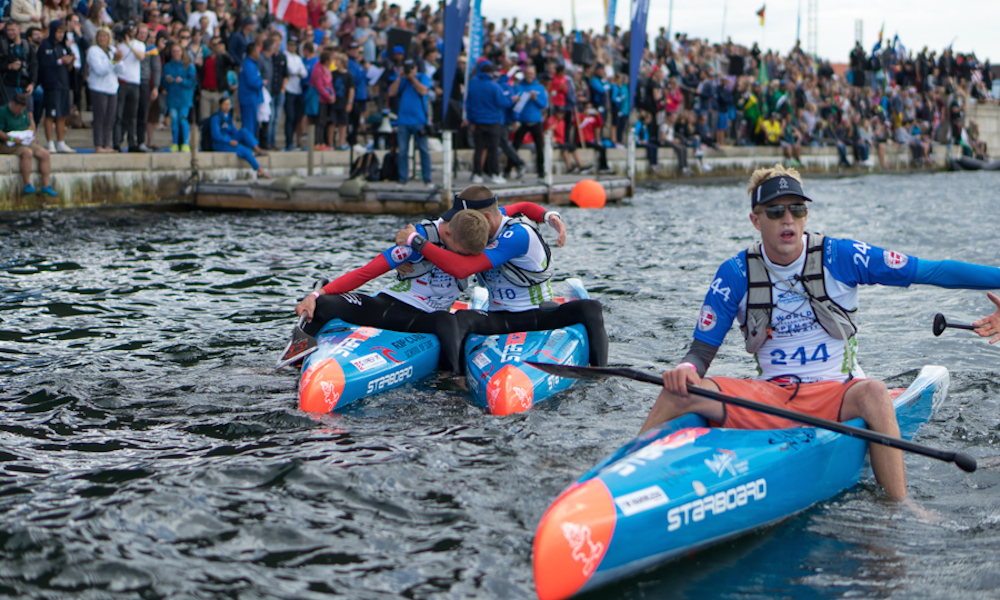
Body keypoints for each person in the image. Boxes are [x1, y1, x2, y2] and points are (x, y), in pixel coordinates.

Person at [640, 164, 1000, 501]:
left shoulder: (841, 256)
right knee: (680, 392)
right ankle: (618, 483)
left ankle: (901, 508)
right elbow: (699, 355)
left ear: (806, 215)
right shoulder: (734, 273)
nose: (788, 219)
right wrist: (684, 373)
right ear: (755, 219)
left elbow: (932, 271)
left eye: (796, 209)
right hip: (770, 397)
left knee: (874, 392)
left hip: (838, 394)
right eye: (775, 211)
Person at [394, 186, 608, 368]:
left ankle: (599, 373)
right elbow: (523, 206)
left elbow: (461, 269)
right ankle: (453, 378)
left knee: (591, 308)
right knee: (459, 320)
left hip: (539, 315)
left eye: (464, 220)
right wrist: (404, 251)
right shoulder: (488, 218)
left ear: (485, 217)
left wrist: (417, 242)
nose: (460, 227)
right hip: (499, 318)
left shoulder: (517, 235)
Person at [294, 208, 492, 373]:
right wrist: (315, 295)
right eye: (461, 254)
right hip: (387, 306)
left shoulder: (475, 238)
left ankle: (453, 379)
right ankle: (296, 362)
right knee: (323, 304)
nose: (463, 262)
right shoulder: (414, 240)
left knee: (447, 321)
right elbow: (366, 272)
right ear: (449, 234)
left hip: (423, 318)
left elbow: (496, 209)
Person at [0, 93, 56, 196]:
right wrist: (11, 138)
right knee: (27, 153)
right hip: (7, 143)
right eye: (19, 109)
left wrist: (30, 133)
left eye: (23, 109)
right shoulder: (2, 112)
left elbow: (29, 124)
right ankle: (27, 184)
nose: (21, 111)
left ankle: (46, 185)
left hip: (23, 141)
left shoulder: (24, 112)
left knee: (45, 153)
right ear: (13, 104)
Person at [465, 60, 511, 185]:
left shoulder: (472, 85)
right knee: (493, 148)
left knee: (479, 148)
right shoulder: (494, 86)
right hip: (493, 120)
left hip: (478, 121)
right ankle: (495, 173)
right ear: (490, 73)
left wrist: (471, 121)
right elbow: (503, 103)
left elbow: (468, 105)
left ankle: (477, 173)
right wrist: (511, 99)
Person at [388, 57, 430, 186]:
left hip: (419, 120)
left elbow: (423, 91)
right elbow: (391, 92)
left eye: (411, 68)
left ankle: (427, 178)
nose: (409, 71)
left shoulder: (422, 77)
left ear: (416, 68)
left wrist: (412, 78)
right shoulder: (402, 80)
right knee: (403, 151)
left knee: (423, 150)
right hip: (404, 121)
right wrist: (399, 77)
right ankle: (402, 178)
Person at [36, 20, 74, 153]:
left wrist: (70, 61)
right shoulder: (45, 46)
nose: (61, 35)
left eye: (63, 32)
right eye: (58, 32)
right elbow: (43, 65)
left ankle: (61, 142)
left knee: (62, 114)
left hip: (64, 84)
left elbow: (68, 68)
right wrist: (59, 61)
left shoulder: (64, 47)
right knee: (50, 114)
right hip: (52, 85)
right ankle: (50, 142)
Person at [210, 94, 269, 179]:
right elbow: (216, 136)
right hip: (221, 143)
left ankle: (257, 149)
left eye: (229, 104)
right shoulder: (216, 118)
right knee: (245, 150)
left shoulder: (228, 116)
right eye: (225, 104)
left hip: (230, 139)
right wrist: (229, 141)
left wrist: (238, 136)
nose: (227, 107)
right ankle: (259, 170)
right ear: (220, 105)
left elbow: (232, 130)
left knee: (244, 131)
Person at [112, 21, 144, 152]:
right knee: (118, 115)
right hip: (122, 81)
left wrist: (129, 45)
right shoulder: (118, 44)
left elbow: (141, 56)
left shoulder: (139, 44)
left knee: (132, 115)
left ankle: (132, 142)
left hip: (134, 82)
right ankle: (117, 142)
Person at [512, 65, 548, 179]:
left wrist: (535, 99)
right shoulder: (518, 87)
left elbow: (543, 105)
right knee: (515, 145)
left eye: (531, 74)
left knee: (539, 147)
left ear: (535, 75)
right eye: (527, 73)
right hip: (522, 121)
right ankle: (509, 168)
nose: (529, 76)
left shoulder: (540, 88)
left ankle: (541, 171)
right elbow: (513, 105)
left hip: (536, 121)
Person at [85, 28, 118, 153]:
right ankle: (98, 145)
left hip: (112, 87)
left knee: (110, 118)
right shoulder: (93, 51)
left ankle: (107, 144)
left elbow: (121, 70)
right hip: (98, 88)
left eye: (105, 36)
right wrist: (114, 61)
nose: (102, 38)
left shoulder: (112, 50)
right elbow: (100, 70)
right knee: (100, 117)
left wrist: (118, 61)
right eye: (100, 36)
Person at [162, 42, 195, 152]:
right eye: (174, 51)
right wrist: (167, 81)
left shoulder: (188, 66)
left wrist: (183, 81)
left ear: (182, 52)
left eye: (178, 51)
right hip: (172, 97)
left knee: (183, 119)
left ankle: (185, 143)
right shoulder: (167, 66)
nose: (176, 53)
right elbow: (164, 82)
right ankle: (175, 142)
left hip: (184, 98)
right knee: (174, 120)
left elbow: (192, 82)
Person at [1, 23, 38, 112]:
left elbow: (34, 65)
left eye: (12, 30)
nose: (10, 33)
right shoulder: (3, 45)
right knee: (8, 113)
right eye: (8, 30)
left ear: (19, 30)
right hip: (8, 86)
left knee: (29, 114)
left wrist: (32, 83)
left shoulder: (26, 45)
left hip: (24, 86)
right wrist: (9, 66)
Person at [283, 37, 307, 151]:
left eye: (295, 44)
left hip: (298, 90)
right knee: (290, 117)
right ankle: (289, 142)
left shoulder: (298, 58)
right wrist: (298, 72)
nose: (293, 46)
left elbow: (304, 73)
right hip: (289, 89)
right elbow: (291, 70)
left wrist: (298, 72)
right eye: (291, 44)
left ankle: (297, 141)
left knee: (298, 117)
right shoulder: (285, 56)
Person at [238, 41, 263, 139]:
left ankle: (251, 143)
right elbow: (252, 82)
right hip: (248, 98)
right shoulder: (248, 65)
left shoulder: (251, 64)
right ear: (253, 52)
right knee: (249, 124)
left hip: (250, 98)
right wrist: (262, 82)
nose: (259, 53)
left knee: (252, 123)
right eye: (257, 51)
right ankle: (249, 145)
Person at [329, 52, 354, 150]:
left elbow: (351, 89)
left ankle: (341, 142)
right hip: (334, 102)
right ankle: (331, 143)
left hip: (343, 102)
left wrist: (350, 102)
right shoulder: (333, 74)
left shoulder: (348, 75)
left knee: (342, 124)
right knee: (332, 123)